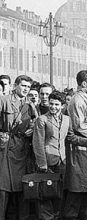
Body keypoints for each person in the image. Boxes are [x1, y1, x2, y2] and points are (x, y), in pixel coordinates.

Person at [64, 70, 87, 220]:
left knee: (84, 189)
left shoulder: (85, 98)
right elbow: (81, 125)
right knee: (77, 189)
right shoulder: (78, 100)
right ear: (84, 83)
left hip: (86, 150)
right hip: (80, 149)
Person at [32, 90, 74, 220]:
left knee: (58, 192)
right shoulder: (42, 119)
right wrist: (42, 163)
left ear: (62, 106)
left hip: (62, 161)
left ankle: (56, 215)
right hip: (47, 161)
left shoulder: (67, 119)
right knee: (45, 193)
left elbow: (71, 137)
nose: (53, 107)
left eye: (56, 104)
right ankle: (46, 217)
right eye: (51, 104)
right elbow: (38, 143)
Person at [0, 75, 37, 220]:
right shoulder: (4, 101)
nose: (26, 89)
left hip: (22, 148)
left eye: (28, 87)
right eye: (23, 86)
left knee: (23, 187)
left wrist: (32, 130)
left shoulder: (30, 105)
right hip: (6, 147)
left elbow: (36, 124)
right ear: (15, 86)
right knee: (3, 189)